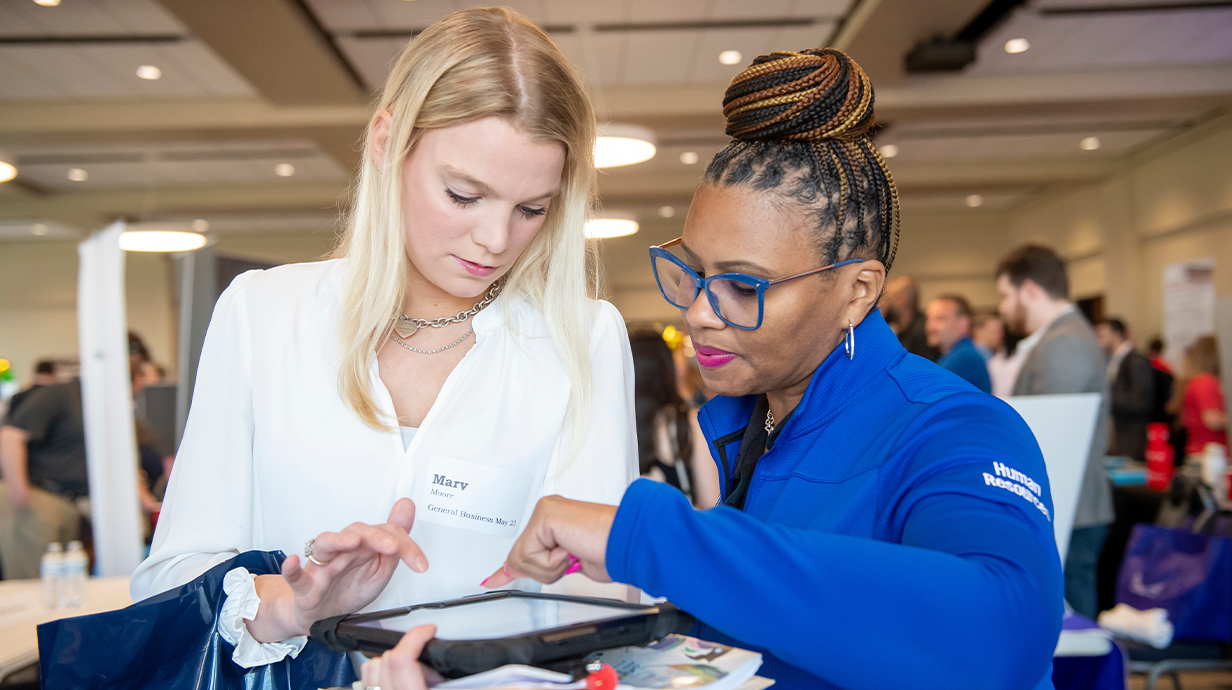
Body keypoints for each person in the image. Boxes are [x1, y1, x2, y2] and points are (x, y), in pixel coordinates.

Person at [363, 48, 1062, 690]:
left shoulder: (955, 428)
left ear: (857, 290)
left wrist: (649, 535)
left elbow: (1005, 637)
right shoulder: (748, 427)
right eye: (694, 273)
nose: (699, 311)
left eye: (744, 286)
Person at [130, 6, 636, 670]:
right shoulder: (263, 313)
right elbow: (168, 579)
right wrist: (291, 602)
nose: (495, 239)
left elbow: (602, 601)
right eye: (463, 195)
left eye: (532, 209)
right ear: (385, 142)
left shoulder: (584, 337)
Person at [997, 243, 1112, 620]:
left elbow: (1052, 438)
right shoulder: (1061, 337)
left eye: (1005, 296)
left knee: (1072, 627)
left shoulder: (1063, 344)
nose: (1002, 308)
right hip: (1068, 504)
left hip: (1072, 509)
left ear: (1029, 290)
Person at [0, 376, 85, 578]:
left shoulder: (98, 398)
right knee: (31, 587)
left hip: (67, 503)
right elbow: (11, 436)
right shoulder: (64, 392)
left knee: (62, 587)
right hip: (36, 498)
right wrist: (20, 493)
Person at [629, 330, 720, 508]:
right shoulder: (688, 424)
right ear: (666, 370)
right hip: (676, 533)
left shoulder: (612, 429)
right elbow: (711, 504)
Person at [1095, 318, 1155, 462]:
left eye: (1102, 336)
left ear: (1116, 335)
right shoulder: (1113, 361)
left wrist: (1104, 399)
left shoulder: (1135, 361)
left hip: (1133, 439)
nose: (1098, 341)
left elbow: (1140, 401)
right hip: (1119, 437)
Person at [924, 294, 991, 393]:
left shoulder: (964, 357)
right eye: (928, 319)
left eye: (940, 319)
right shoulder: (957, 354)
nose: (930, 326)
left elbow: (926, 391)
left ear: (963, 323)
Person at [1174, 336, 1226, 457]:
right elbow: (1212, 419)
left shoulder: (1194, 382)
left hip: (1199, 451)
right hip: (1210, 453)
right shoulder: (1206, 381)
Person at [881, 275, 940, 361]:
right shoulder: (902, 329)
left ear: (902, 298)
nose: (883, 304)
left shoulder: (922, 330)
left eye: (887, 298)